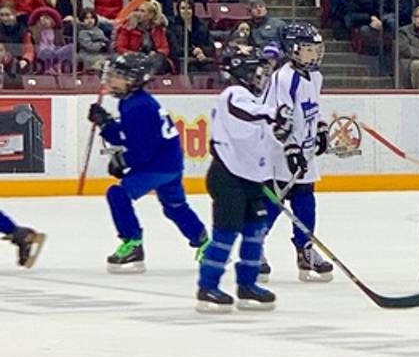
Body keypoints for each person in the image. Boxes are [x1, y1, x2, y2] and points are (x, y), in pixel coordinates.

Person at [87, 52, 209, 272]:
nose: (110, 79)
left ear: (133, 80)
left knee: (118, 194)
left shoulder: (137, 106)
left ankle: (132, 243)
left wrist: (123, 161)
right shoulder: (134, 102)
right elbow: (128, 136)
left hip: (157, 165)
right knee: (175, 207)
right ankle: (204, 243)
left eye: (117, 76)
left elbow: (142, 151)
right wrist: (105, 123)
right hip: (169, 163)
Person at [196, 50, 280, 312]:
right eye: (257, 71)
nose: (262, 77)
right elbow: (247, 112)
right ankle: (208, 287)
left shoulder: (255, 100)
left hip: (252, 177)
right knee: (225, 234)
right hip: (228, 177)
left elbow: (263, 135)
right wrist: (273, 114)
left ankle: (247, 285)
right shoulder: (233, 94)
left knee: (255, 232)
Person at [261, 23, 333, 282]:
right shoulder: (284, 77)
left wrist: (322, 128)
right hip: (280, 151)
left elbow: (314, 106)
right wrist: (290, 147)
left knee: (305, 200)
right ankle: (254, 248)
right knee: (274, 201)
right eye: (307, 49)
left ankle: (305, 249)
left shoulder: (315, 76)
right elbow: (280, 117)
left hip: (305, 150)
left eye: (316, 48)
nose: (314, 54)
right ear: (292, 51)